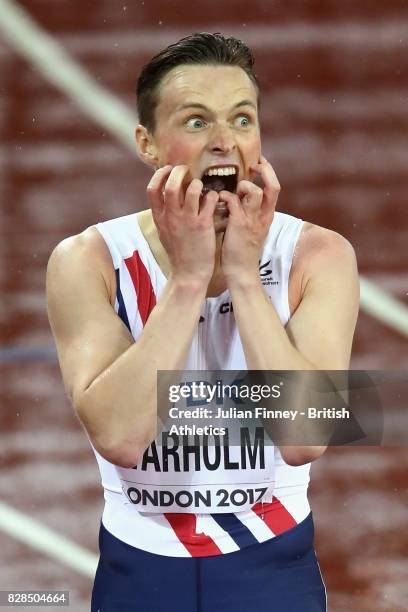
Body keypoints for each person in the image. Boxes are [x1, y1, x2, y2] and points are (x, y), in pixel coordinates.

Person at [46, 32, 359, 612]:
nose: (224, 142)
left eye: (242, 120)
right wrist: (188, 280)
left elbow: (306, 437)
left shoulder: (317, 255)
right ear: (146, 143)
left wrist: (245, 277)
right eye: (196, 122)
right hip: (140, 570)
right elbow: (120, 437)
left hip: (272, 566)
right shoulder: (90, 261)